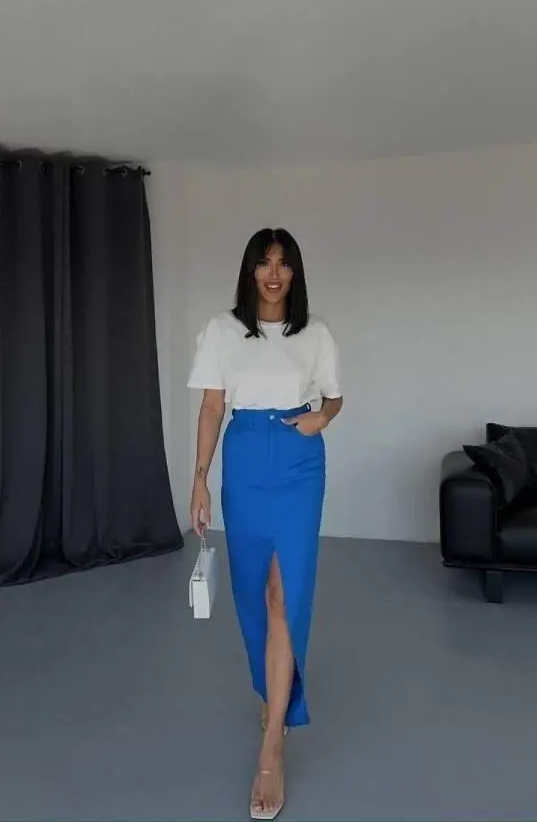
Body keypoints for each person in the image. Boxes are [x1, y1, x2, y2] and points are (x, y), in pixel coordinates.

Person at [187, 228, 343, 820]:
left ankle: (273, 741)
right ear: (249, 271)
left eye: (283, 263)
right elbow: (211, 407)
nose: (273, 274)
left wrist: (321, 418)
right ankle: (271, 692)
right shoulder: (222, 330)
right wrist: (199, 478)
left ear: (295, 272)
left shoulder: (315, 332)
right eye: (263, 263)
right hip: (246, 455)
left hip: (299, 462)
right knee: (254, 590)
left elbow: (334, 398)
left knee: (285, 593)